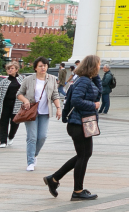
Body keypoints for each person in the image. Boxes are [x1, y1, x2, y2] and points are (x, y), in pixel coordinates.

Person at [43, 55, 102, 201]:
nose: (100, 66)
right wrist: (93, 105)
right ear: (93, 66)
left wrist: (96, 77)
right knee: (83, 156)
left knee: (84, 155)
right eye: (98, 64)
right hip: (78, 123)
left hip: (84, 123)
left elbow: (99, 92)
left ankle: (54, 178)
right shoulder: (83, 81)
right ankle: (77, 191)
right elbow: (76, 100)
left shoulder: (86, 80)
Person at [17, 57, 62, 171]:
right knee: (32, 137)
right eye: (41, 66)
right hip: (31, 112)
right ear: (35, 68)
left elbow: (55, 95)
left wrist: (58, 108)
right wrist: (26, 100)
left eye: (45, 65)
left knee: (42, 137)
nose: (43, 68)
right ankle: (30, 162)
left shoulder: (52, 79)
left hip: (45, 112)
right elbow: (19, 94)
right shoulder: (28, 79)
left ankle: (34, 154)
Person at [0, 62, 22, 147]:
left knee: (15, 122)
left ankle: (11, 136)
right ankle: (3, 141)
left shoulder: (22, 80)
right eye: (8, 69)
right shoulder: (4, 81)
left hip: (17, 104)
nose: (10, 70)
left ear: (16, 70)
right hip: (5, 105)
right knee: (3, 123)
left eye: (12, 68)